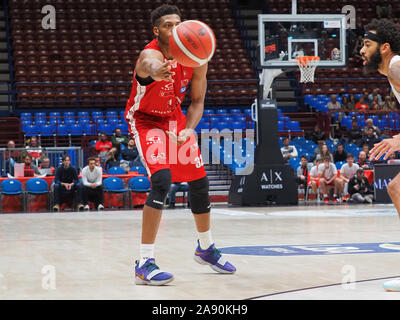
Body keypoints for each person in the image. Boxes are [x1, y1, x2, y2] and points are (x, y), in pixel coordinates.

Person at [124, 4, 236, 286]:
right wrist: (156, 72)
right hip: (146, 121)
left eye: (178, 23)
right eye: (167, 25)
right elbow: (146, 65)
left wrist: (188, 129)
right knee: (162, 180)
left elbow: (197, 102)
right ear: (156, 31)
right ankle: (144, 262)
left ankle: (206, 247)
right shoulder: (150, 54)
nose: (174, 28)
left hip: (175, 121)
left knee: (199, 183)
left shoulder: (197, 58)